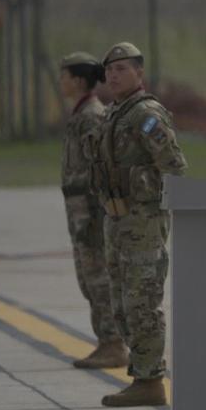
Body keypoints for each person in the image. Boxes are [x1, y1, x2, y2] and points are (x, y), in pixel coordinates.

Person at [91, 42, 187, 408]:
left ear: (139, 73)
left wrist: (137, 186)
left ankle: (149, 380)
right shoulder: (116, 113)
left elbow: (174, 166)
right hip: (117, 221)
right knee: (122, 304)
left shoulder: (146, 115)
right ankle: (142, 372)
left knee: (142, 302)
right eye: (109, 71)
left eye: (121, 69)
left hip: (143, 223)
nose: (113, 76)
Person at [58, 51, 127, 370]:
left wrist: (96, 213)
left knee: (98, 277)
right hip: (78, 208)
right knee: (88, 278)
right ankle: (106, 341)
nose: (61, 82)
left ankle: (113, 343)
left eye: (65, 76)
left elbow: (100, 167)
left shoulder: (92, 116)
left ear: (78, 79)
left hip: (90, 209)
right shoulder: (81, 113)